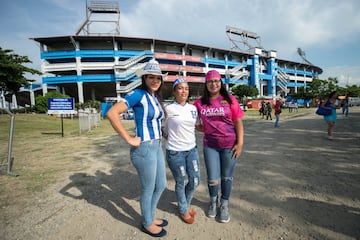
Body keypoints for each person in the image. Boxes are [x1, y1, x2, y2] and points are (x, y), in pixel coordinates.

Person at [106, 59, 168, 238]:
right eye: (151, 77)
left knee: (161, 184)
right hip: (144, 149)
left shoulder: (154, 97)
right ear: (145, 78)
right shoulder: (138, 94)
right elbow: (112, 113)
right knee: (148, 188)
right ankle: (147, 222)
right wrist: (128, 138)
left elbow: (154, 121)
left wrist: (163, 134)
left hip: (156, 146)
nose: (155, 80)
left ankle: (150, 215)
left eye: (158, 78)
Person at [193, 70, 244, 223]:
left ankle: (224, 205)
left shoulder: (230, 100)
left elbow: (238, 122)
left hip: (229, 145)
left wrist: (240, 144)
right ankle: (213, 202)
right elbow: (191, 119)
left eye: (216, 81)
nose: (213, 84)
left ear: (221, 83)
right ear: (206, 84)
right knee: (213, 178)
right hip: (210, 146)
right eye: (210, 81)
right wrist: (202, 128)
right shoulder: (199, 103)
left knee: (227, 177)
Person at [162, 78, 200, 224]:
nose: (184, 91)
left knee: (195, 180)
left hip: (192, 150)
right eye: (180, 88)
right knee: (180, 181)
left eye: (186, 88)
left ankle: (185, 203)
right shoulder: (168, 109)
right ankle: (183, 210)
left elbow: (196, 126)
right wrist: (167, 137)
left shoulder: (193, 109)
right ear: (174, 91)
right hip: (175, 152)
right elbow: (160, 127)